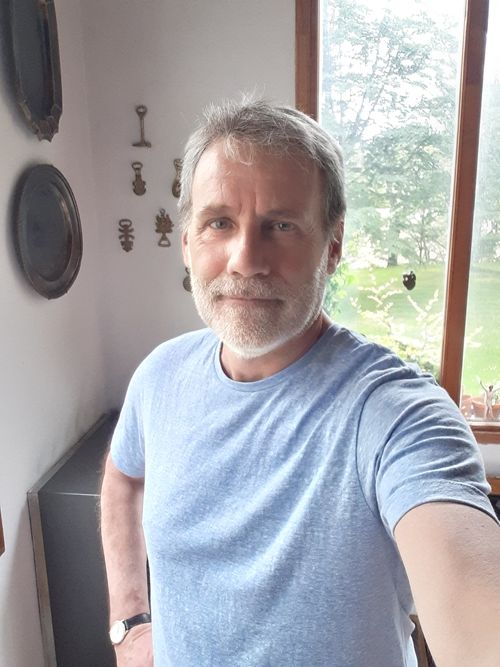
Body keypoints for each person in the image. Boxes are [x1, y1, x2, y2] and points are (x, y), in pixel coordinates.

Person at [100, 98, 500, 667]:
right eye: (219, 223)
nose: (245, 259)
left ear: (332, 247)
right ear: (187, 243)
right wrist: (130, 623)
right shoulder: (158, 376)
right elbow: (122, 475)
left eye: (281, 226)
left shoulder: (397, 415)